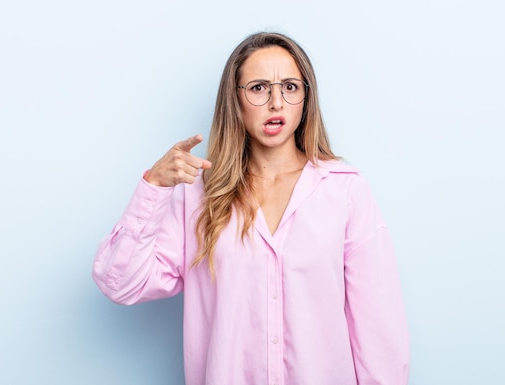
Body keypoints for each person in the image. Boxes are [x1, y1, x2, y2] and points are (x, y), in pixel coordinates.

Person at [93, 31, 409, 385]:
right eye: (259, 88)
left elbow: (378, 331)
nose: (276, 102)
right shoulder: (197, 196)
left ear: (306, 97)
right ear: (235, 99)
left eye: (290, 86)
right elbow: (120, 284)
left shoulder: (345, 190)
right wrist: (154, 186)